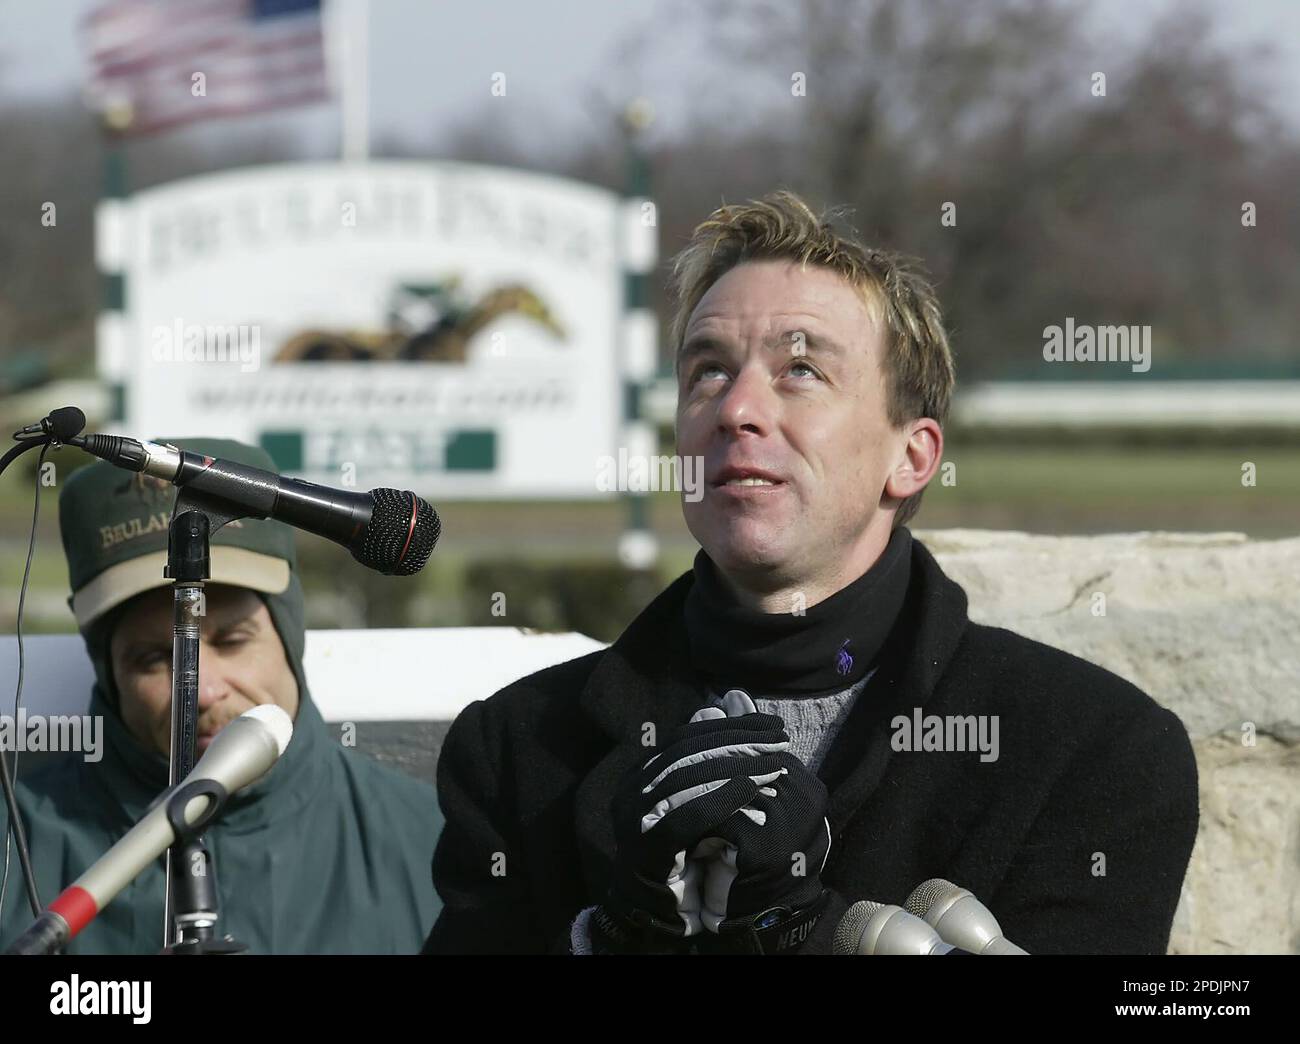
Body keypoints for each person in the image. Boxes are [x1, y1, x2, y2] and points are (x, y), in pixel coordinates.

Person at [422, 190, 1199, 955]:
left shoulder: (1094, 752)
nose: (736, 409)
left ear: (912, 455)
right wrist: (611, 937)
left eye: (800, 370)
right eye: (708, 372)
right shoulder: (518, 749)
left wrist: (811, 929)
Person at [0, 438, 442, 954]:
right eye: (150, 658)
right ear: (108, 669)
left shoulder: (434, 840)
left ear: (290, 633)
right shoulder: (13, 848)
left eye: (233, 641)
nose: (204, 690)